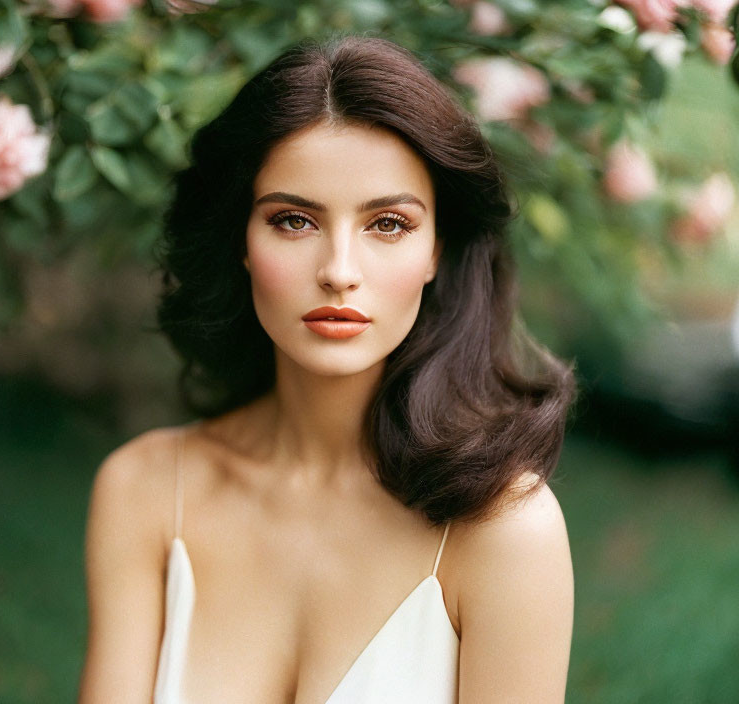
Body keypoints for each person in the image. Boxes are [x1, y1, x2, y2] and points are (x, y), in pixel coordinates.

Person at [78, 34, 577, 704]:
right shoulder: (143, 492)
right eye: (293, 221)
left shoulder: (504, 531)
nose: (339, 271)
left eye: (389, 225)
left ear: (438, 251)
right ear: (241, 243)